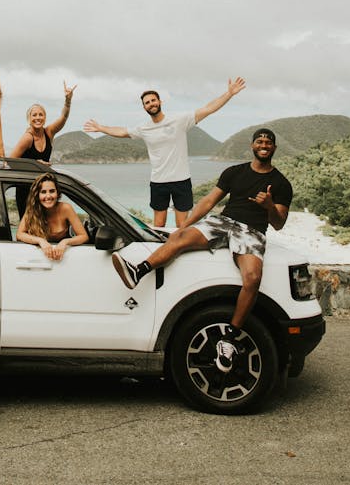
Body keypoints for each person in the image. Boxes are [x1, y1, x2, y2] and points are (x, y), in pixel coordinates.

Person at [111, 128, 292, 373]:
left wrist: (269, 206)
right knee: (180, 238)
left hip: (251, 231)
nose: (264, 145)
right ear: (252, 146)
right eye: (259, 141)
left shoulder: (281, 183)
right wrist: (183, 226)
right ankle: (138, 270)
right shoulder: (234, 172)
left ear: (274, 148)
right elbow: (209, 202)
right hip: (224, 222)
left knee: (252, 278)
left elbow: (279, 223)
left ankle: (230, 337)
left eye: (268, 142)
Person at [83, 78, 246, 229]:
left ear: (160, 101)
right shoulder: (144, 128)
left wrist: (229, 94)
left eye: (153, 100)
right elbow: (122, 131)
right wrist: (101, 127)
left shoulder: (180, 120)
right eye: (147, 102)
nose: (151, 104)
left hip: (181, 181)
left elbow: (208, 109)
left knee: (182, 225)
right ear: (144, 107)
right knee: (158, 224)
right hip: (158, 182)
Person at [16, 172, 88, 260]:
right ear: (37, 195)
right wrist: (40, 241)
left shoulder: (66, 208)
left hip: (62, 259)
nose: (48, 196)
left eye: (52, 191)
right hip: (39, 259)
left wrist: (65, 242)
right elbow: (19, 234)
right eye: (43, 192)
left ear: (57, 193)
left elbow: (83, 236)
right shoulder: (32, 210)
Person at [9, 81, 77, 162]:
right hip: (28, 174)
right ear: (29, 120)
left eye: (41, 115)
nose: (38, 118)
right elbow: (10, 162)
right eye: (34, 115)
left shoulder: (49, 132)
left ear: (45, 118)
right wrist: (36, 163)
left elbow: (64, 117)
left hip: (44, 174)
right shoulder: (27, 138)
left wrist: (68, 101)